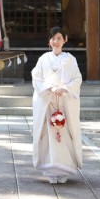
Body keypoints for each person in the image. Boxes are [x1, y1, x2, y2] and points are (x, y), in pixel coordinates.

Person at [31, 26, 82, 184]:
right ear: (49, 41)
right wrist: (50, 88)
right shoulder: (43, 59)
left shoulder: (70, 59)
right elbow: (36, 78)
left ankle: (64, 168)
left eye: (59, 38)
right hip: (48, 103)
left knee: (64, 134)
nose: (56, 41)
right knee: (48, 135)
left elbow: (77, 79)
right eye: (53, 38)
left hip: (63, 103)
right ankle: (50, 170)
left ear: (65, 40)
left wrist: (65, 88)